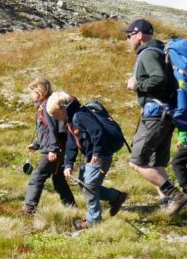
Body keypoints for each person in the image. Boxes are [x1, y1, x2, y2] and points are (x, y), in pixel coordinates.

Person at [124, 19, 187, 215]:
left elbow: (159, 79)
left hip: (155, 115)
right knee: (156, 164)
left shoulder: (148, 54)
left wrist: (137, 85)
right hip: (167, 114)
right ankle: (167, 206)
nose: (128, 40)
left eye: (129, 36)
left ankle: (176, 196)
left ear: (139, 35)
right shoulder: (160, 52)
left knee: (137, 163)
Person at [47, 91, 127, 230]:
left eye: (55, 114)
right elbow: (71, 145)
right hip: (94, 156)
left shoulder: (80, 115)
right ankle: (115, 196)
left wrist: (97, 152)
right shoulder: (71, 121)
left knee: (89, 186)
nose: (55, 118)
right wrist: (68, 164)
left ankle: (94, 219)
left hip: (100, 155)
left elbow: (97, 132)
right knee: (85, 184)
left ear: (62, 108)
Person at [23, 77, 76, 213]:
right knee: (58, 180)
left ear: (39, 92)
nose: (30, 95)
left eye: (32, 92)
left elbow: (53, 129)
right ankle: (71, 207)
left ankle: (29, 209)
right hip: (56, 148)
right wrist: (36, 144)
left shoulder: (47, 106)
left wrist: (53, 149)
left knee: (37, 177)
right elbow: (46, 131)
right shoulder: (45, 105)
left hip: (53, 150)